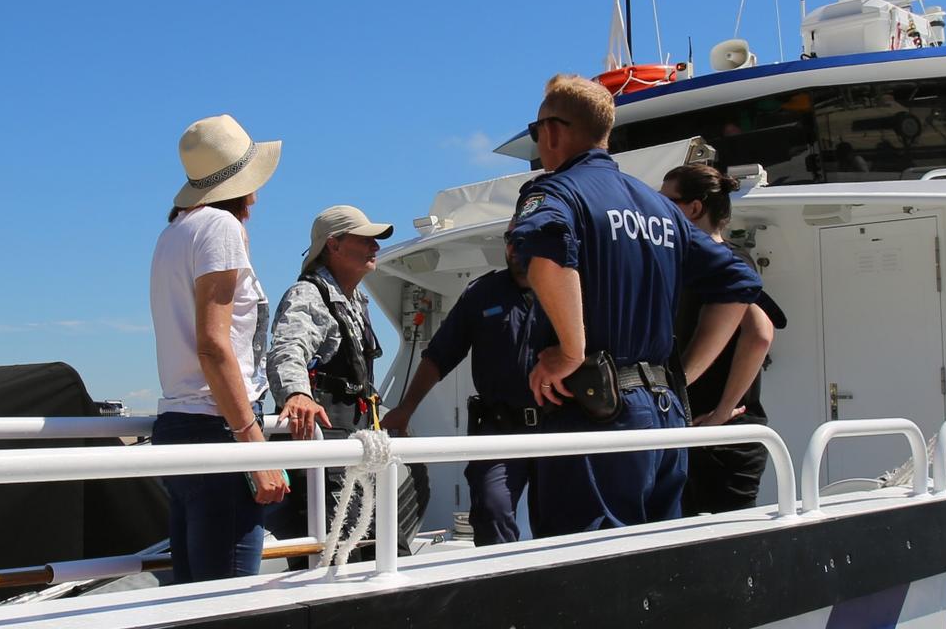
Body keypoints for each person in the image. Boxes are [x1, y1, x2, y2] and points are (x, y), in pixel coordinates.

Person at [511, 74, 763, 537]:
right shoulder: (659, 207)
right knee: (656, 552)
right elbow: (739, 282)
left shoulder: (556, 191)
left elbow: (546, 250)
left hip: (595, 412)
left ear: (551, 131)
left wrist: (570, 351)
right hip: (665, 409)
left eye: (535, 132)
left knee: (583, 560)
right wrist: (685, 375)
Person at [149, 114, 289, 583]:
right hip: (218, 427)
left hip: (178, 427)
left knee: (193, 598)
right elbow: (213, 344)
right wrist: (255, 447)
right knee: (227, 601)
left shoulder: (173, 233)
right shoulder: (221, 229)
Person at [380, 221, 542, 546]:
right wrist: (406, 408)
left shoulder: (571, 287)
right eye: (511, 240)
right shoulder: (482, 294)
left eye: (526, 239)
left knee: (563, 519)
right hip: (500, 427)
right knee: (493, 509)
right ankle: (499, 589)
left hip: (560, 424)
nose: (515, 247)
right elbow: (440, 355)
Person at [265, 205, 397, 557]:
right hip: (326, 455)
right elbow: (287, 348)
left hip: (356, 448)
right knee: (336, 554)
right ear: (334, 245)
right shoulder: (309, 294)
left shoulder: (356, 300)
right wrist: (297, 393)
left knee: (373, 548)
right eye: (365, 239)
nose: (375, 247)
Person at [661, 164, 785, 514]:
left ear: (694, 208)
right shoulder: (698, 266)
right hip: (701, 430)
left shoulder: (729, 262)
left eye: (666, 202)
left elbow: (760, 334)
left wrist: (723, 412)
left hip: (724, 437)